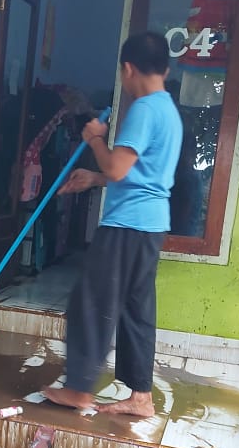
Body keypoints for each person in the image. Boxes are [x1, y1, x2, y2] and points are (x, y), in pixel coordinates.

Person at [43, 32, 182, 419]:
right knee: (137, 310)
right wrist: (95, 178)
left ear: (129, 68)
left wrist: (95, 141)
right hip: (151, 226)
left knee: (90, 303)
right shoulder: (168, 110)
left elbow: (117, 165)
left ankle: (78, 390)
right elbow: (141, 175)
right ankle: (141, 397)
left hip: (126, 226)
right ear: (166, 68)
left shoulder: (145, 109)